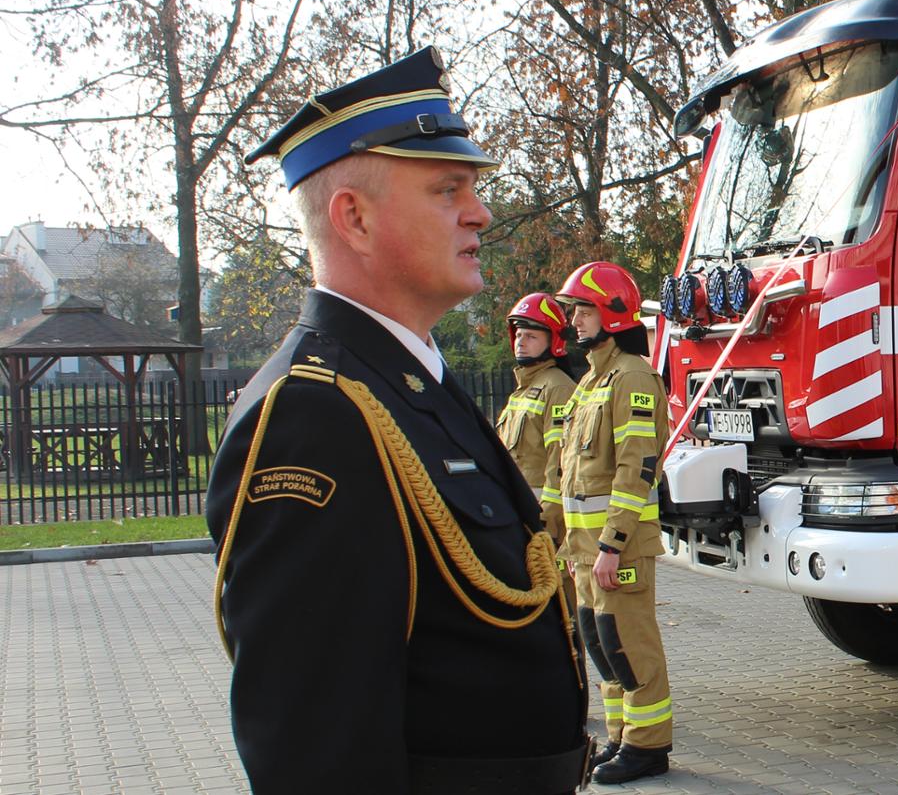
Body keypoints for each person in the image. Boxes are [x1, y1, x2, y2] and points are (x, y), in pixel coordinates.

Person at [206, 48, 588, 794]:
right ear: (353, 217)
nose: (479, 211)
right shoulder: (314, 413)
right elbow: (316, 749)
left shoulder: (408, 379)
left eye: (472, 188)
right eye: (448, 189)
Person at [551, 261, 674, 784]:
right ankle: (623, 737)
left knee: (630, 642)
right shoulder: (589, 383)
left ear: (613, 314)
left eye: (584, 309)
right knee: (602, 645)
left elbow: (637, 467)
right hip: (584, 549)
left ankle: (649, 747)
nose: (575, 320)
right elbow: (567, 469)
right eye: (574, 310)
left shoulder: (633, 377)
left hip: (616, 547)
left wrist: (613, 543)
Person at [497, 292, 578, 546]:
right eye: (519, 335)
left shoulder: (557, 388)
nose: (521, 342)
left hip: (543, 523)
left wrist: (547, 521)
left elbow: (560, 458)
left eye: (531, 336)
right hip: (518, 516)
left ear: (553, 341)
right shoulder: (521, 391)